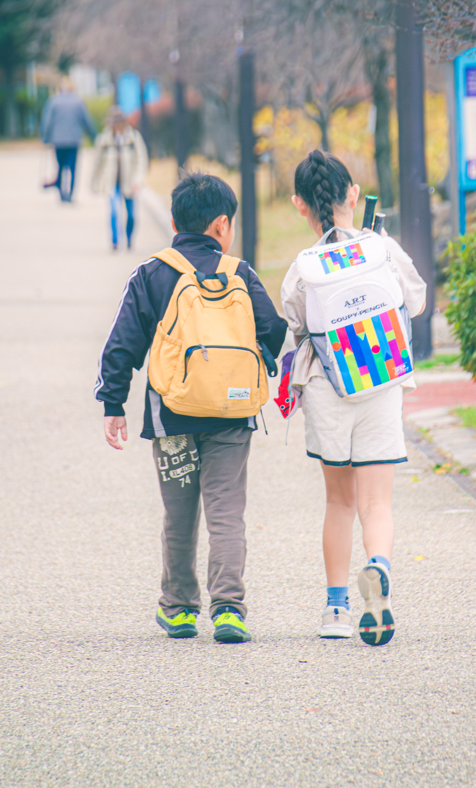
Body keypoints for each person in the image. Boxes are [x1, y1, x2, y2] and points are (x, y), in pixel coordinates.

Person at [95, 172, 287, 643]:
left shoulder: (153, 273)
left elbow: (122, 344)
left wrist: (113, 402)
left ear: (177, 220)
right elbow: (275, 332)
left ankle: (179, 608)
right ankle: (228, 610)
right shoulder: (240, 273)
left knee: (178, 513)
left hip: (171, 416)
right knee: (226, 512)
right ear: (222, 225)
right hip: (232, 414)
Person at [281, 150, 426, 646]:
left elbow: (295, 324)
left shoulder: (304, 266)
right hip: (382, 382)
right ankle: (379, 567)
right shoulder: (382, 247)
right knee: (376, 501)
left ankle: (336, 609)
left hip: (328, 389)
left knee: (339, 502)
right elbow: (419, 299)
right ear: (353, 195)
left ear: (300, 206)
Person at [91, 108, 149, 250]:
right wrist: (95, 182)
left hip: (129, 181)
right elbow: (98, 162)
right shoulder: (104, 139)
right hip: (112, 182)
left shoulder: (133, 137)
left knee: (131, 214)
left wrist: (138, 180)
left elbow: (141, 159)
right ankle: (115, 241)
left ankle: (129, 238)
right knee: (114, 211)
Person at [40, 77, 96, 202]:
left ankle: (61, 194)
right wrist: (93, 135)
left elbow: (47, 121)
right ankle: (71, 194)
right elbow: (86, 120)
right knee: (73, 168)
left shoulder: (53, 101)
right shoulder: (78, 101)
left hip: (58, 140)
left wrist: (45, 137)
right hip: (74, 140)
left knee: (60, 166)